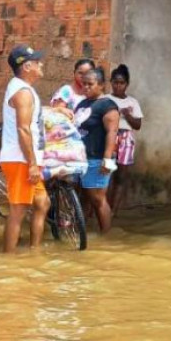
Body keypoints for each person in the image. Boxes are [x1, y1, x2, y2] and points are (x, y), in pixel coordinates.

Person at [0, 45, 49, 254]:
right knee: (18, 211)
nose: (41, 64)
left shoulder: (22, 89)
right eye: (37, 62)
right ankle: (8, 260)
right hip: (22, 161)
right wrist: (31, 165)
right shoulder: (23, 93)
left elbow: (31, 117)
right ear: (27, 66)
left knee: (42, 203)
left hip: (26, 159)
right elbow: (23, 129)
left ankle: (33, 252)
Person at [74, 68, 120, 234]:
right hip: (81, 158)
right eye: (83, 84)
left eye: (90, 84)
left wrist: (107, 159)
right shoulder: (82, 104)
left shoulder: (107, 106)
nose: (86, 87)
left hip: (97, 158)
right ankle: (84, 230)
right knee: (86, 197)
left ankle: (106, 236)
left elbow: (112, 132)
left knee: (98, 198)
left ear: (101, 85)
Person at [106, 64, 143, 216]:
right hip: (109, 137)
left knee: (121, 176)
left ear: (127, 84)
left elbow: (138, 125)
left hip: (126, 138)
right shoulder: (106, 99)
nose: (118, 86)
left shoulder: (133, 102)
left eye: (121, 83)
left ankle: (113, 211)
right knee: (105, 174)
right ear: (111, 82)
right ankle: (101, 208)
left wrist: (127, 115)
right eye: (115, 82)